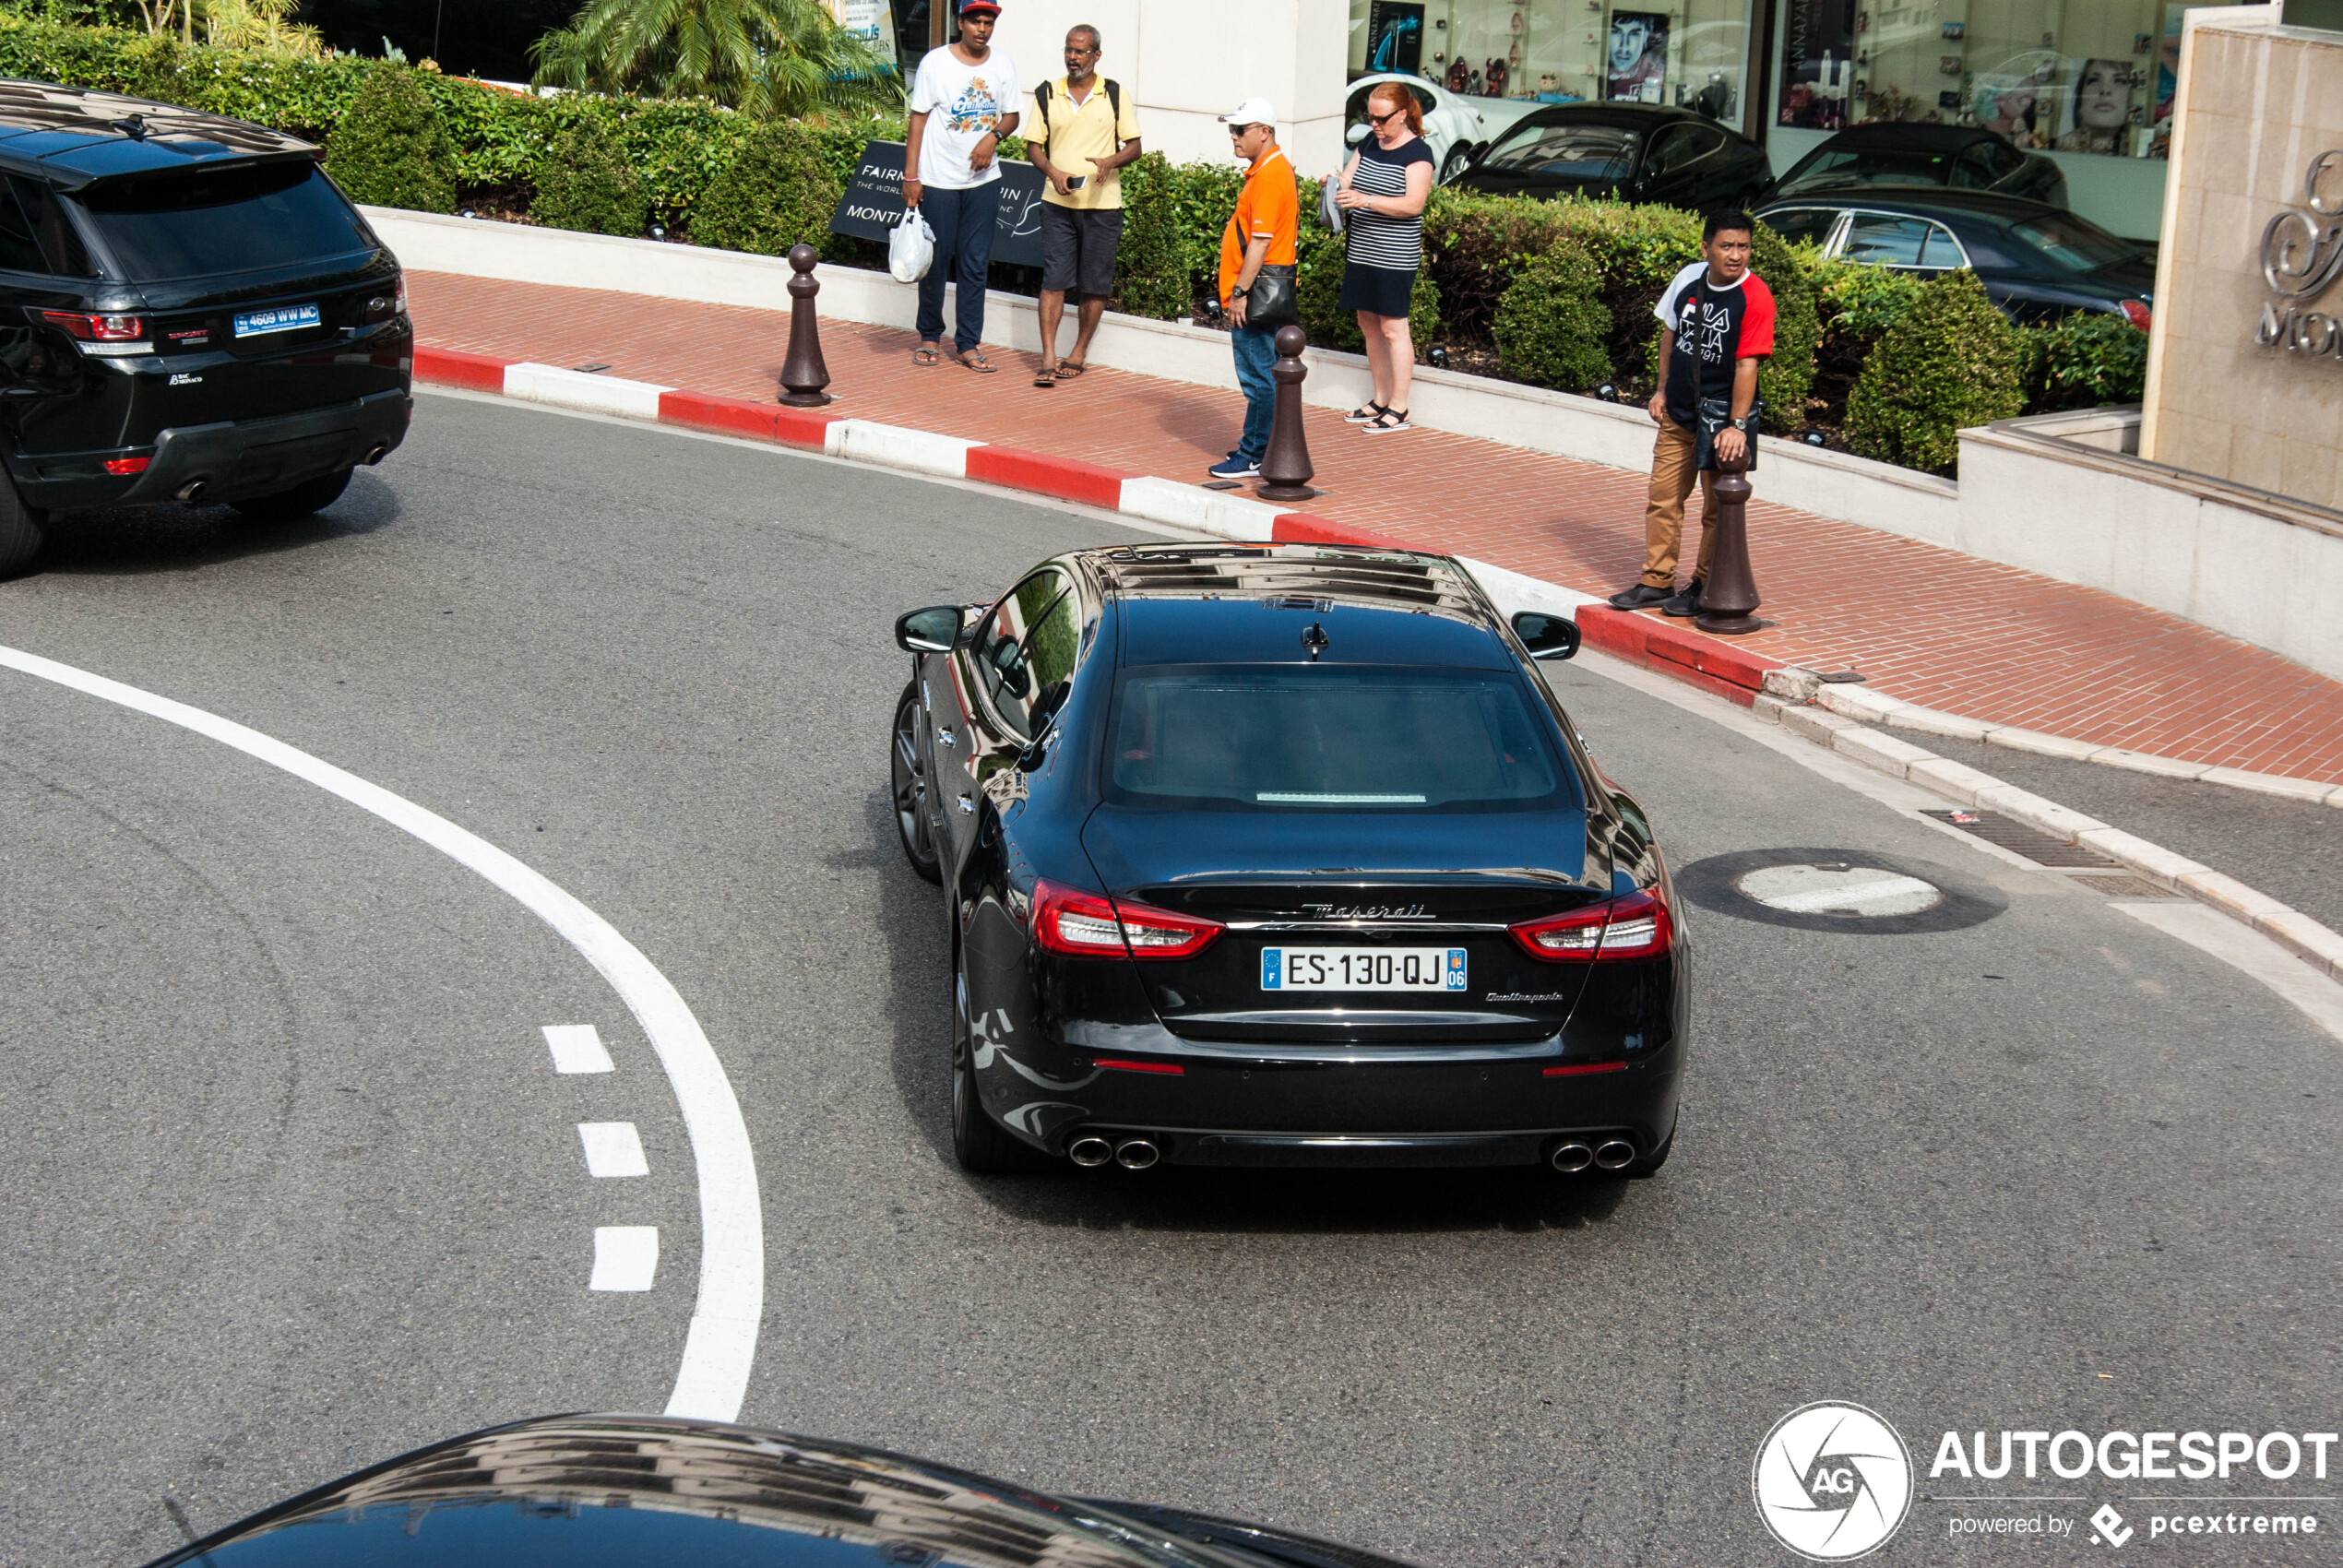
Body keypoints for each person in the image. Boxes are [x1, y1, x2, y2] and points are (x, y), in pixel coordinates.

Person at [1607, 209, 1773, 618]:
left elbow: (1746, 364)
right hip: (1679, 414)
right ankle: (1656, 581)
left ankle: (1704, 583)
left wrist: (1736, 425)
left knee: (1717, 509)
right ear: (1706, 248)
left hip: (1721, 423)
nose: (1736, 255)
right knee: (1663, 499)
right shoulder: (1688, 279)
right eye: (1727, 246)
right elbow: (1671, 334)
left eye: (1744, 247)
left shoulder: (1756, 296)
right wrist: (1661, 390)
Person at [903, 0, 1020, 374]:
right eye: (975, 22)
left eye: (988, 22)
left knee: (974, 264)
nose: (982, 29)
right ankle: (929, 337)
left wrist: (993, 137)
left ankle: (968, 343)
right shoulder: (935, 62)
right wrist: (911, 176)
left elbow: (1013, 114)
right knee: (936, 262)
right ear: (960, 23)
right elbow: (918, 120)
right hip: (938, 179)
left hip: (983, 183)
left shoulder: (1002, 65)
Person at [1025, 24, 1142, 388]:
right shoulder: (1047, 93)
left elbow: (1135, 146)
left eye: (1081, 51)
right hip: (1057, 203)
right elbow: (1033, 146)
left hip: (1103, 206)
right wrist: (1051, 170)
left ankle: (1077, 353)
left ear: (1096, 55)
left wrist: (1111, 161)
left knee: (1094, 284)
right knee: (1054, 280)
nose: (1073, 57)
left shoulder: (1115, 94)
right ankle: (1046, 356)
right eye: (1069, 50)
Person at [1333, 81, 1433, 434]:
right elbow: (1348, 176)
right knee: (1368, 323)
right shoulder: (1370, 142)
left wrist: (1365, 200)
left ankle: (1399, 407)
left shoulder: (1418, 153)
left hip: (1394, 256)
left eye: (1380, 118)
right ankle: (1379, 399)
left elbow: (1413, 204)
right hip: (1362, 248)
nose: (1374, 125)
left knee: (1393, 328)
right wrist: (1335, 186)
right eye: (1369, 117)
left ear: (1402, 115)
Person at [1207, 100, 1298, 481]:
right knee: (1262, 373)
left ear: (1265, 132)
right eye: (1232, 128)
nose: (1233, 136)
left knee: (1257, 376)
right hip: (1261, 291)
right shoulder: (1266, 171)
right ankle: (1259, 446)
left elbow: (1260, 243)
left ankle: (1254, 453)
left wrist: (1240, 293)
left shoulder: (1270, 176)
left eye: (1240, 129)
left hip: (1256, 294)